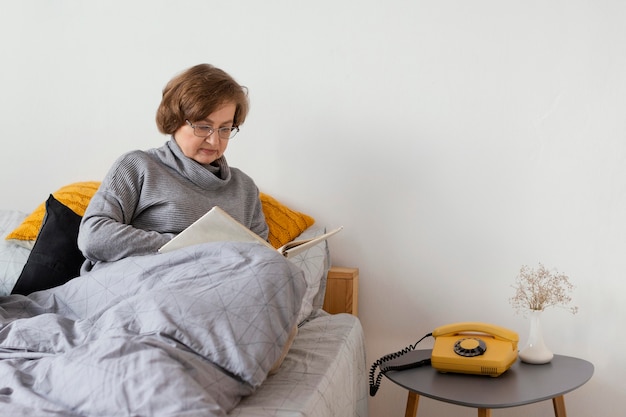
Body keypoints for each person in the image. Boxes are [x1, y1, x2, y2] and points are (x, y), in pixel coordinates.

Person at [77, 63, 268, 272]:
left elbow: (260, 261)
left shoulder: (245, 188)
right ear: (174, 120)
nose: (215, 141)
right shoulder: (139, 166)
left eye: (225, 128)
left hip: (220, 291)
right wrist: (190, 246)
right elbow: (94, 237)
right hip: (143, 284)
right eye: (203, 127)